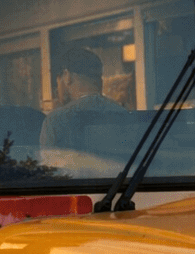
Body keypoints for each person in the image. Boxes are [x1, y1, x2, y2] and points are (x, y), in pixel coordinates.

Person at [39, 45, 132, 175]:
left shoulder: (55, 121)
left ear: (67, 76)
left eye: (57, 81)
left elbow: (49, 175)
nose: (57, 88)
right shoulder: (124, 115)